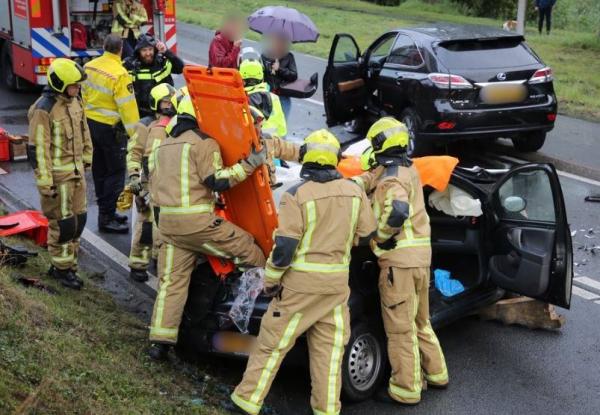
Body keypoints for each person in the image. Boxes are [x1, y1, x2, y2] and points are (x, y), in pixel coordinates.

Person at [221, 129, 377, 415]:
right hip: (336, 289)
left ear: (307, 159)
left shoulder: (296, 195)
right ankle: (326, 410)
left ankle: (245, 402)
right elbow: (367, 235)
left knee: (271, 346)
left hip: (299, 289)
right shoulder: (355, 192)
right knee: (330, 354)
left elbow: (284, 248)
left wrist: (270, 281)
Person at [147, 96, 268, 359]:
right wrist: (251, 163)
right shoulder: (203, 143)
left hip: (166, 226)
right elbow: (217, 180)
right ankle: (241, 321)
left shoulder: (163, 145)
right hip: (196, 225)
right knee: (251, 251)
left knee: (172, 284)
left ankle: (160, 343)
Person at [353, 117, 449, 406]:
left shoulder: (391, 179)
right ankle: (437, 373)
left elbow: (397, 211)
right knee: (421, 322)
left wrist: (378, 239)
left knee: (400, 329)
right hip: (420, 260)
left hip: (399, 264)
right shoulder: (408, 169)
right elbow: (373, 177)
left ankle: (405, 389)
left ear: (380, 146)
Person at [27, 59, 92, 290]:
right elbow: (38, 150)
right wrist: (45, 184)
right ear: (60, 84)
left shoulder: (75, 101)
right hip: (58, 181)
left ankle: (69, 266)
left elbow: (84, 131)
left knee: (79, 222)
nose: (78, 88)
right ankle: (60, 269)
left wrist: (87, 158)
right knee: (62, 226)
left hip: (76, 176)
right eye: (74, 85)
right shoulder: (43, 109)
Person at [82, 34, 140, 234]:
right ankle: (106, 218)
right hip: (111, 130)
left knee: (99, 171)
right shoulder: (120, 74)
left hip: (91, 126)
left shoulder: (89, 66)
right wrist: (135, 135)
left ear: (104, 47)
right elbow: (128, 108)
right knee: (115, 172)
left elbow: (84, 96)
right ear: (121, 49)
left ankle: (105, 213)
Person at [126, 83, 176, 282]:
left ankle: (157, 258)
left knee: (164, 225)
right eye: (165, 102)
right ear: (156, 103)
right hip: (147, 183)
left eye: (171, 101)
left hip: (168, 183)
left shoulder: (175, 124)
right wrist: (134, 177)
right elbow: (134, 153)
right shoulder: (145, 125)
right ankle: (138, 264)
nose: (169, 105)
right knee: (146, 226)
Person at [123, 34, 185, 117]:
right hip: (139, 113)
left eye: (150, 49)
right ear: (138, 51)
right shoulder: (130, 66)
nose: (148, 53)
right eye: (144, 50)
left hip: (163, 112)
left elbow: (181, 68)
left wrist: (166, 52)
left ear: (154, 50)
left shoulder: (162, 63)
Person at [248, 105, 299, 186]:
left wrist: (307, 154)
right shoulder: (235, 150)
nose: (260, 130)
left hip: (268, 193)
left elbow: (290, 150)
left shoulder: (267, 141)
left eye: (260, 126)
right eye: (256, 127)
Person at [239, 60, 287, 138]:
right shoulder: (274, 98)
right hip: (272, 144)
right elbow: (282, 130)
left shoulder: (240, 99)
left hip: (251, 144)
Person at [262, 33, 298, 120]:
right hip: (269, 97)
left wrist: (280, 69)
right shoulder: (265, 56)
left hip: (283, 97)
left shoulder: (289, 57)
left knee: (282, 126)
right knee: (267, 124)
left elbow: (293, 75)